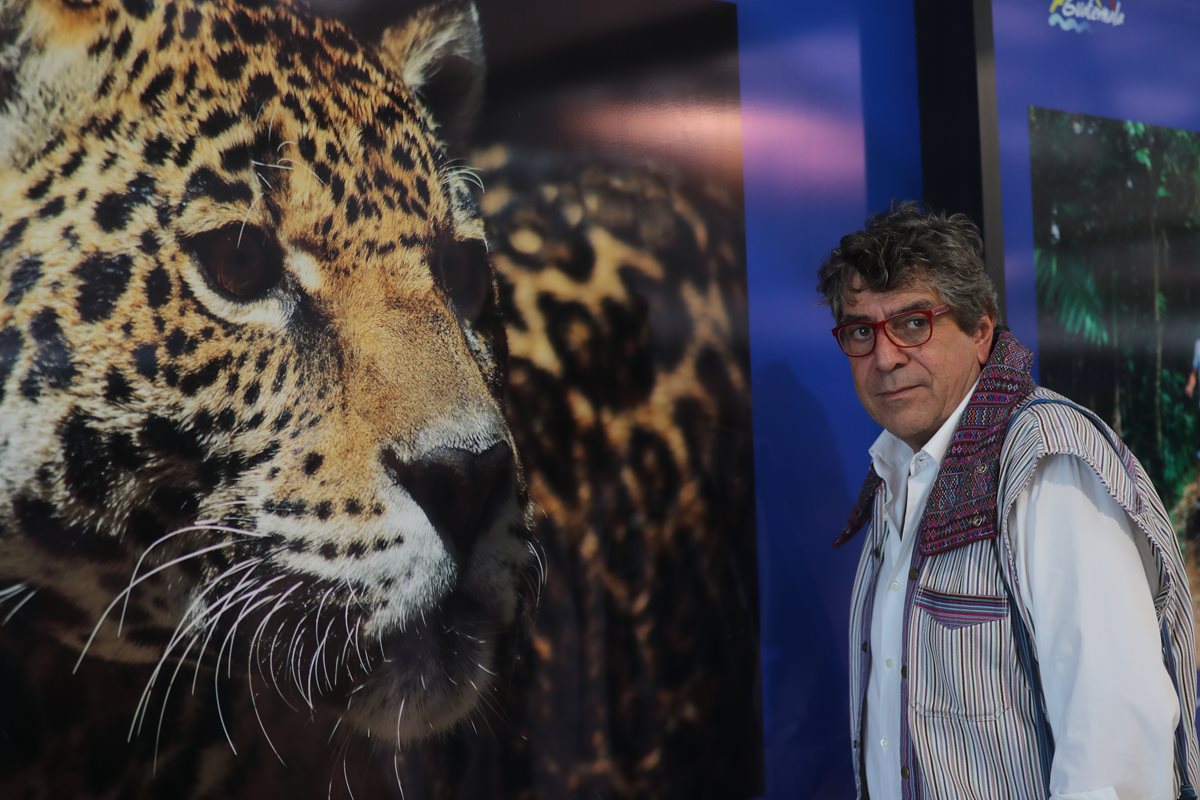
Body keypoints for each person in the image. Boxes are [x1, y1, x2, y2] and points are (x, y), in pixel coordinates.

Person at [820, 202, 1199, 800]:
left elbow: (1115, 749)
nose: (886, 357)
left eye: (914, 322)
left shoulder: (1046, 464)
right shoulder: (895, 474)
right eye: (862, 331)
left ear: (980, 331)